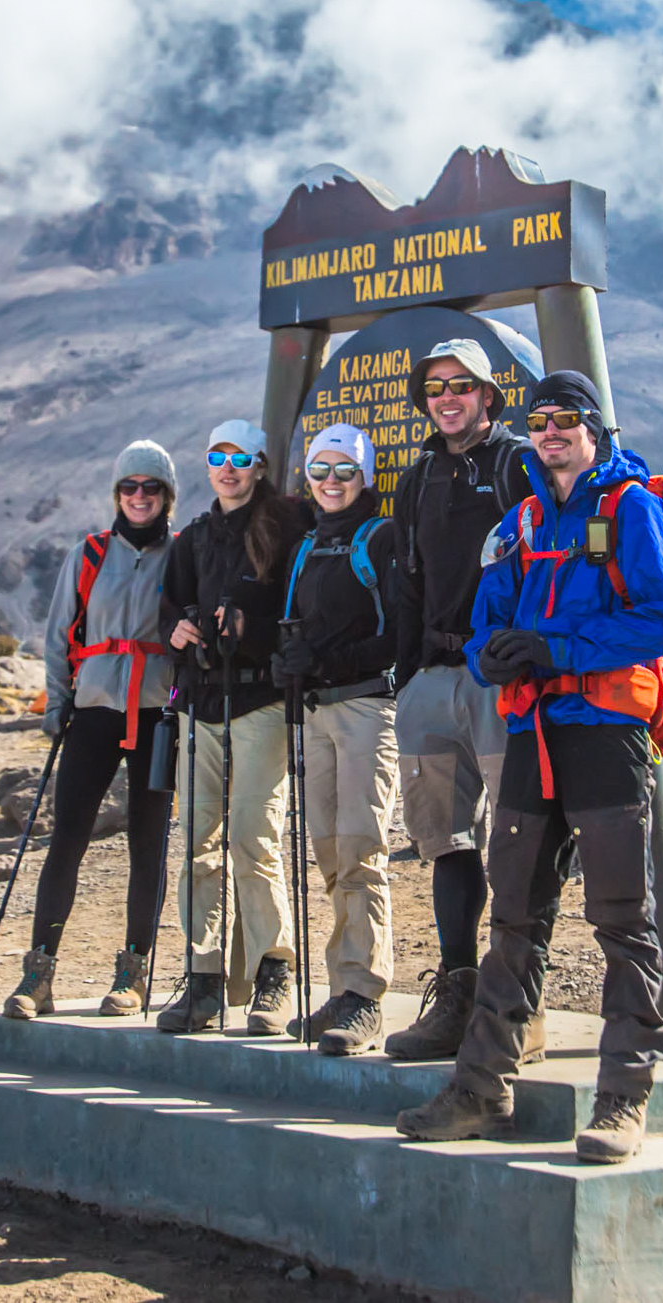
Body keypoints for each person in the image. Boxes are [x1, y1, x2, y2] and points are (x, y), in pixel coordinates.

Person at [396, 371, 663, 1164]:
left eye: (566, 419)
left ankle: (622, 1099)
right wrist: (497, 659)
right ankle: (479, 1087)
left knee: (623, 918)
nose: (551, 431)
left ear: (594, 429)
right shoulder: (519, 520)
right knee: (515, 913)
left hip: (604, 732)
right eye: (541, 420)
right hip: (532, 732)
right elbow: (489, 620)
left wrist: (558, 650)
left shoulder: (631, 509)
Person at [387, 337, 532, 1061]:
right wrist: (406, 672)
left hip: (498, 679)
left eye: (460, 385)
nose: (446, 397)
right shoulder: (416, 480)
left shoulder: (513, 463)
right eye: (434, 385)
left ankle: (515, 1005)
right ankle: (457, 992)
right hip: (431, 681)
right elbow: (407, 580)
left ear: (486, 394)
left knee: (518, 839)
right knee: (443, 841)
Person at [5, 441, 178, 1022]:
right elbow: (59, 635)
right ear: (116, 495)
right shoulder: (89, 554)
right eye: (128, 488)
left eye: (149, 488)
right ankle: (39, 976)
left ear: (166, 496)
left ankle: (133, 974)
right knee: (67, 839)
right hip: (94, 713)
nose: (138, 497)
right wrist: (57, 704)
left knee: (147, 845)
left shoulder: (183, 557)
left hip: (157, 716)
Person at [156, 420, 310, 1035]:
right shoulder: (192, 538)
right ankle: (203, 977)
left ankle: (274, 973)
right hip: (200, 704)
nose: (228, 468)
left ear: (260, 465)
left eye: (240, 458)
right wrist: (179, 631)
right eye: (218, 457)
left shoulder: (286, 525)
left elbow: (304, 606)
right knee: (196, 844)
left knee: (254, 840)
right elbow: (169, 608)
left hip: (261, 704)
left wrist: (254, 632)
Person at [273, 423, 399, 1056]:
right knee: (328, 852)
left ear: (364, 478)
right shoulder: (306, 547)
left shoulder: (380, 539)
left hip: (366, 709)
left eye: (343, 472)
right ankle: (342, 988)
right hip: (317, 715)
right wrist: (289, 661)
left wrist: (332, 660)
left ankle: (364, 996)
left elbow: (399, 633)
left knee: (360, 850)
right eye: (320, 471)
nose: (330, 482)